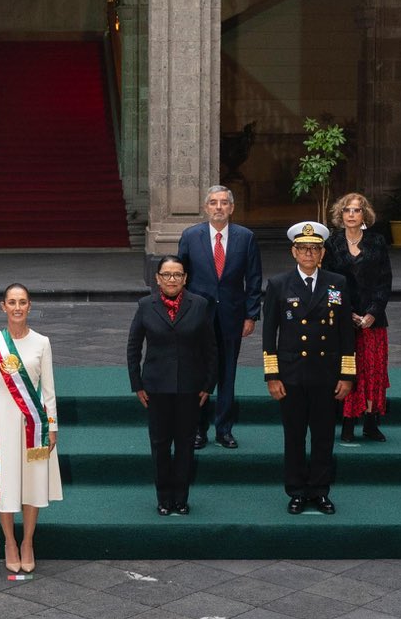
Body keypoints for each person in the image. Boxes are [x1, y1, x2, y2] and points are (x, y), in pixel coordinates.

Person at [262, 221, 357, 515]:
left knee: (324, 436)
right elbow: (269, 335)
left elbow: (345, 333)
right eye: (303, 248)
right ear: (294, 251)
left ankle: (319, 490)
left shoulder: (337, 283)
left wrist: (347, 374)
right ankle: (296, 492)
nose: (308, 254)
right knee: (294, 436)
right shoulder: (279, 285)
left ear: (322, 253)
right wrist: (272, 375)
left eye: (314, 249)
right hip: (291, 375)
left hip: (326, 375)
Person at [126, 255, 217, 516]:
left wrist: (208, 385)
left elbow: (211, 349)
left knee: (186, 444)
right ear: (157, 278)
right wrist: (137, 384)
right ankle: (164, 497)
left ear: (185, 278)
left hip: (191, 388)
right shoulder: (145, 305)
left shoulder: (199, 305)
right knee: (160, 444)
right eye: (166, 274)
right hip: (156, 387)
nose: (172, 279)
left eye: (177, 274)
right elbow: (133, 347)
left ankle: (181, 498)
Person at [0, 283, 60, 574]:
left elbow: (48, 390)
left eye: (22, 302)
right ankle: (9, 542)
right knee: (5, 484)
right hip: (1, 422)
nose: (17, 307)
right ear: (3, 306)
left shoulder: (42, 342)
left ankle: (27, 541)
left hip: (35, 425)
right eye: (11, 302)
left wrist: (52, 426)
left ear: (30, 306)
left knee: (33, 483)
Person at [175, 186, 261, 450]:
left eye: (224, 203)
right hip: (199, 318)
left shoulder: (246, 237)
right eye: (214, 203)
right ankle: (198, 430)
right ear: (206, 207)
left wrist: (251, 315)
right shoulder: (190, 236)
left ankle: (224, 430)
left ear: (232, 208)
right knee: (199, 374)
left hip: (232, 317)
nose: (219, 207)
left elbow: (254, 278)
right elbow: (180, 276)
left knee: (227, 374)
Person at [331, 193, 392, 445]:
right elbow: (330, 287)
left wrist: (371, 313)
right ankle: (347, 422)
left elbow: (385, 281)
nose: (352, 214)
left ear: (364, 214)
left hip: (373, 321)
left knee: (373, 371)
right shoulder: (331, 244)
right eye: (347, 210)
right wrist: (348, 313)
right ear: (340, 214)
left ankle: (370, 422)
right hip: (344, 320)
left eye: (357, 210)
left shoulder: (377, 242)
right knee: (348, 369)